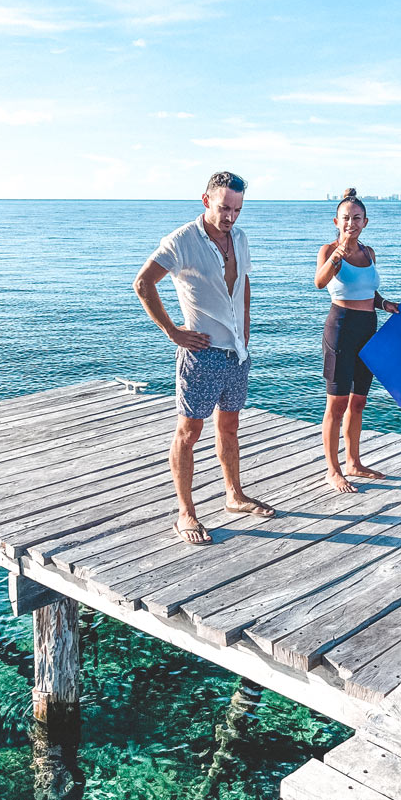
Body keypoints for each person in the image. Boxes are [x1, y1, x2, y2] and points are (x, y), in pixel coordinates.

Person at [133, 171, 275, 545]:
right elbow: (143, 283)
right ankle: (185, 513)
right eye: (224, 207)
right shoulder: (182, 241)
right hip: (201, 354)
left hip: (237, 353)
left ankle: (234, 496)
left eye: (237, 209)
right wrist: (173, 333)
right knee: (189, 432)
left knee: (229, 427)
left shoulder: (240, 238)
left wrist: (246, 331)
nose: (230, 216)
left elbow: (243, 283)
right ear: (206, 200)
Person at [315, 188, 400, 493]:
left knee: (359, 400)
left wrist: (383, 303)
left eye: (357, 218)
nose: (351, 222)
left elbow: (367, 290)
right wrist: (336, 257)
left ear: (366, 221)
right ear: (335, 221)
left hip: (368, 327)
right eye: (346, 218)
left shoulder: (369, 253)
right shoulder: (328, 250)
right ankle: (333, 470)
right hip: (340, 327)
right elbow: (320, 282)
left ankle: (353, 462)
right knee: (336, 404)